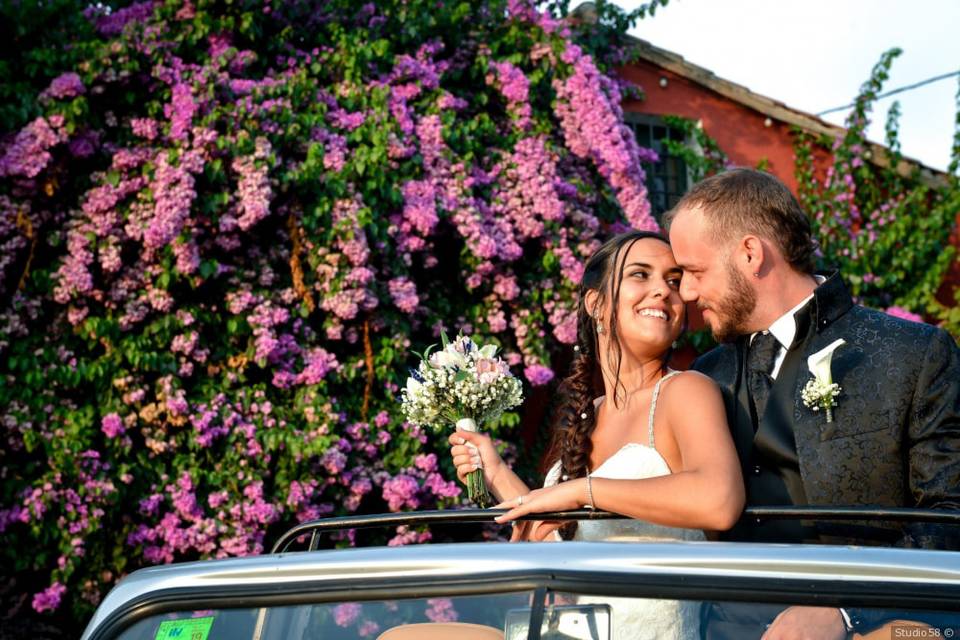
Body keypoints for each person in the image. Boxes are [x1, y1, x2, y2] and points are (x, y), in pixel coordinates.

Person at [663, 167, 960, 640]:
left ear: (750, 254)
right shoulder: (703, 375)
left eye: (696, 272)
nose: (689, 293)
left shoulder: (913, 354)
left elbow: (950, 518)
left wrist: (846, 613)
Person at [448, 230, 745, 640]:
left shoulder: (686, 392)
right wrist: (496, 471)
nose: (663, 290)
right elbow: (554, 540)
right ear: (597, 303)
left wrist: (580, 491)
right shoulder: (589, 414)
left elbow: (720, 501)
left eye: (674, 281)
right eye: (641, 275)